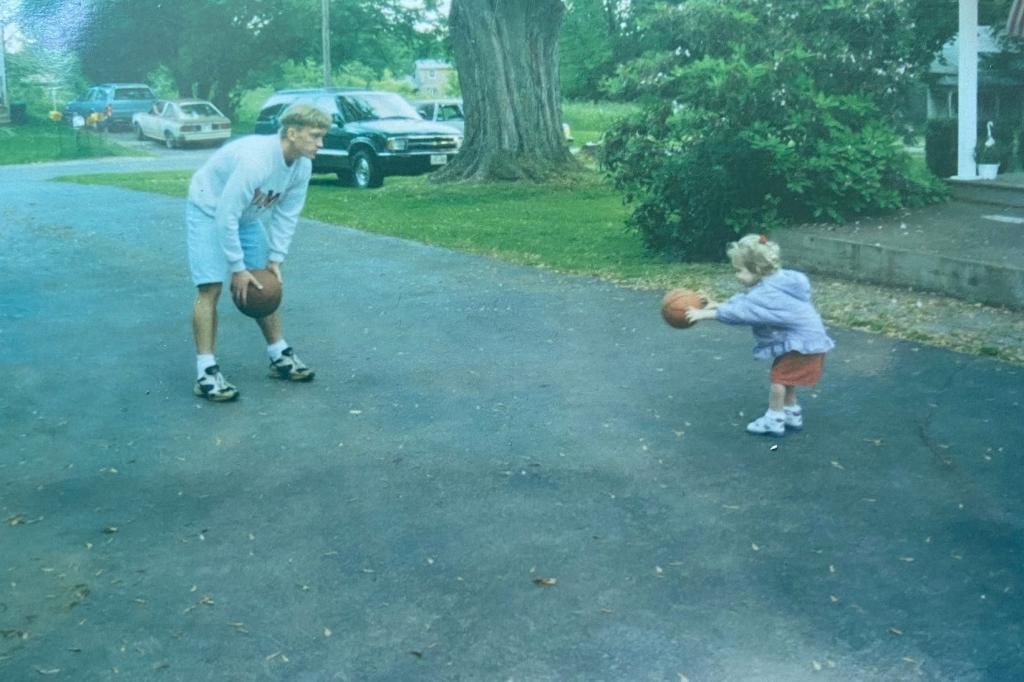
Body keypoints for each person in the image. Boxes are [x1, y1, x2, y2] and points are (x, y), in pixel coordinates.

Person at [186, 102, 330, 402]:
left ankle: (279, 355)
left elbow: (287, 214)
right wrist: (238, 268)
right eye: (315, 136)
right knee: (210, 287)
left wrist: (275, 259)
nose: (321, 143)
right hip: (209, 210)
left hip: (247, 217)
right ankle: (206, 372)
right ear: (292, 132)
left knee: (265, 283)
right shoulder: (257, 160)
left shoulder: (302, 166)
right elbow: (226, 214)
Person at [685, 234, 835, 436]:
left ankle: (774, 419)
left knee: (778, 380)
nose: (737, 275)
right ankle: (791, 413)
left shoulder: (767, 294)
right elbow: (748, 302)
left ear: (756, 269)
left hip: (802, 343)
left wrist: (704, 314)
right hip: (806, 340)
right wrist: (719, 304)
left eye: (740, 271)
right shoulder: (778, 281)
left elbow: (743, 312)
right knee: (787, 379)